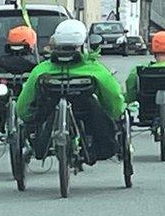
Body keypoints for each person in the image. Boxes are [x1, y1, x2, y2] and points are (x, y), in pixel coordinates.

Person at [16, 19, 125, 163]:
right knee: (96, 109)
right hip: (87, 111)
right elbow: (113, 96)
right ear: (83, 45)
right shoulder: (94, 69)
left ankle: (42, 146)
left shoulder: (41, 70)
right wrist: (115, 113)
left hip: (49, 110)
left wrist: (27, 116)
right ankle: (97, 149)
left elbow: (25, 100)